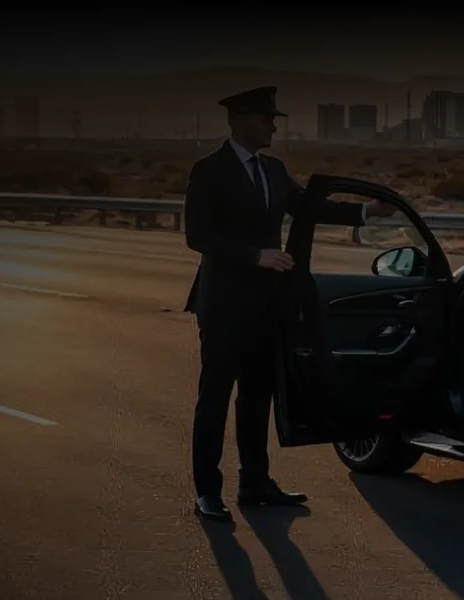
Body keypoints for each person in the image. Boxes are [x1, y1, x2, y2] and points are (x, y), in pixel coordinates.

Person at [181, 86, 398, 522]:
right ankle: (207, 490)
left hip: (265, 305)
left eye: (274, 118)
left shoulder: (275, 170)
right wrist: (255, 254)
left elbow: (308, 208)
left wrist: (366, 213)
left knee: (258, 396)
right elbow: (198, 235)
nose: (274, 126)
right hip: (223, 305)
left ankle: (255, 483)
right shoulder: (209, 170)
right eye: (266, 118)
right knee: (215, 398)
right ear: (239, 121)